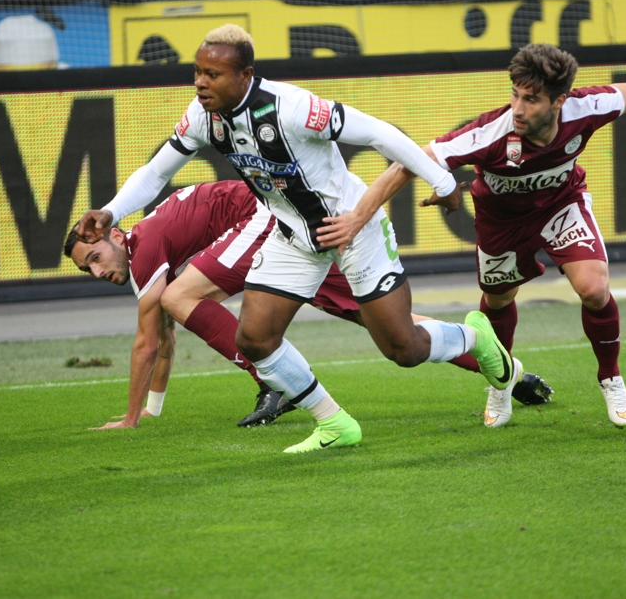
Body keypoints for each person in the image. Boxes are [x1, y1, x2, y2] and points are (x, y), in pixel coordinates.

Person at [76, 24, 519, 453]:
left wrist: (442, 184)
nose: (200, 82)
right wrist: (112, 210)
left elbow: (379, 133)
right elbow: (156, 172)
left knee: (402, 348)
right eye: (197, 72)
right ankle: (334, 423)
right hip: (291, 234)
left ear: (245, 75)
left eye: (212, 74)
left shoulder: (292, 107)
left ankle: (475, 338)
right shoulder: (201, 117)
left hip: (353, 230)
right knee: (253, 339)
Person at [319, 43, 626, 428]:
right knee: (497, 302)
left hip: (560, 205)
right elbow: (409, 160)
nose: (518, 108)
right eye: (514, 94)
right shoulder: (490, 133)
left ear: (559, 101)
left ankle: (610, 377)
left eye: (530, 99)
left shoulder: (586, 108)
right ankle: (501, 381)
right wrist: (360, 217)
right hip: (501, 223)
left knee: (593, 289)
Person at [65, 180, 552, 431]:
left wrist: (130, 419)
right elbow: (165, 340)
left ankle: (273, 384)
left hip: (266, 223)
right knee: (387, 325)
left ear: (113, 234)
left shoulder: (144, 246)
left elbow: (148, 342)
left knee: (177, 297)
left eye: (95, 257)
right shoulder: (145, 248)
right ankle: (504, 367)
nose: (97, 270)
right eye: (87, 268)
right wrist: (152, 408)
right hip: (288, 233)